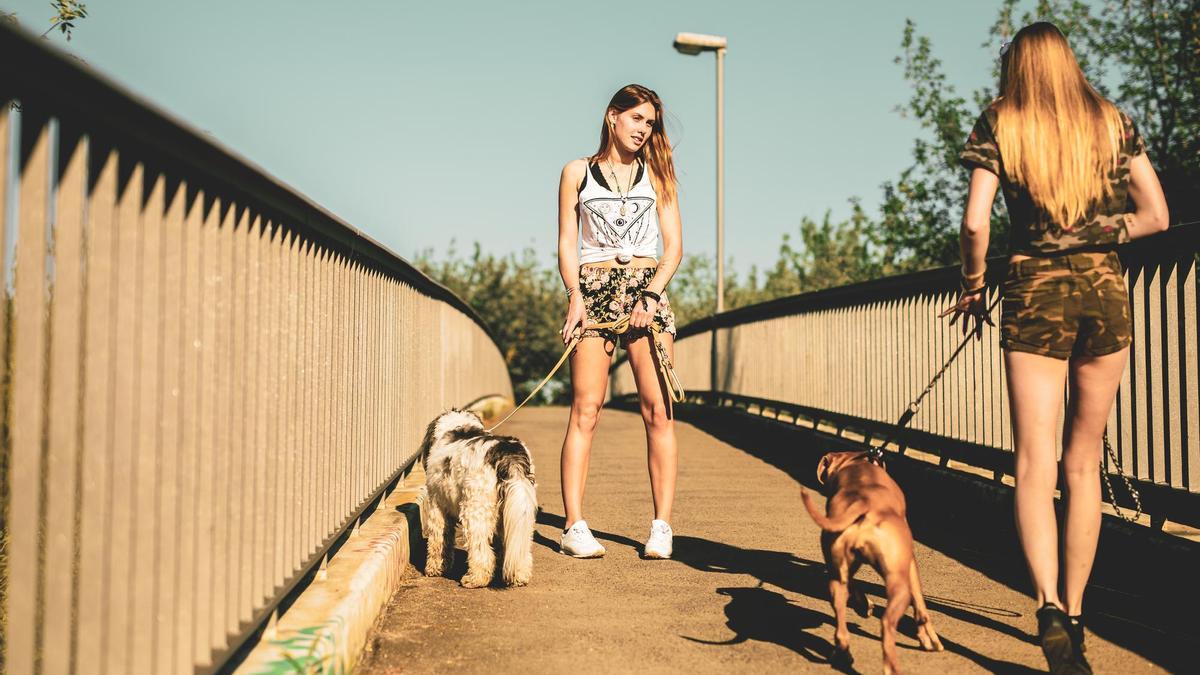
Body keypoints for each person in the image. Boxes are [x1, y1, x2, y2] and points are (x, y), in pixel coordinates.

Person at [945, 22, 1169, 674]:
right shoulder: (1112, 121)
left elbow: (975, 223)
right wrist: (1095, 231)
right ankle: (1075, 612)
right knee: (1083, 463)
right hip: (1103, 293)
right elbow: (1156, 216)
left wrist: (973, 285)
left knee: (1034, 461)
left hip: (1034, 293)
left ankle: (1046, 605)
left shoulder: (1001, 121)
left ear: (1017, 65)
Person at [555, 84, 683, 560]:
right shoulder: (576, 172)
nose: (643, 129)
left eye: (650, 123)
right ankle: (573, 526)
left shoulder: (658, 173)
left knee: (658, 410)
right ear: (614, 116)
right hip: (593, 289)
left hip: (647, 289)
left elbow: (674, 247)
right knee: (586, 409)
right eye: (637, 119)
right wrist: (574, 297)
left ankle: (662, 527)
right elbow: (567, 242)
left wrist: (651, 294)